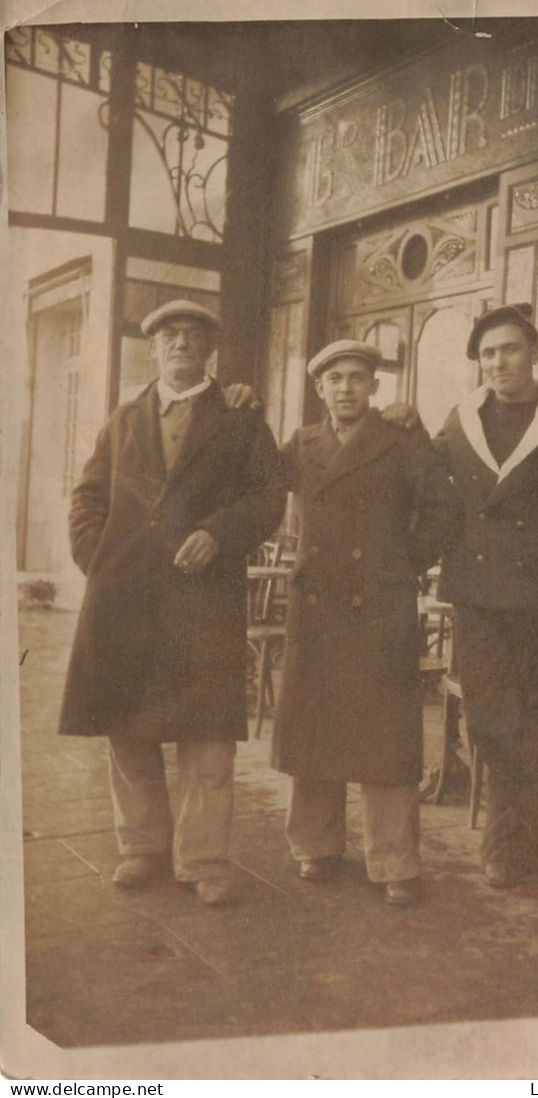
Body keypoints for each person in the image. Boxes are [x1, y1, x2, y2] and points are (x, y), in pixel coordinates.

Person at [59, 300, 286, 906]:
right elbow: (87, 497)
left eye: (192, 335)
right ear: (153, 348)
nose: (180, 344)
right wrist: (98, 561)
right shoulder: (125, 418)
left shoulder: (240, 420)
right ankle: (142, 848)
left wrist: (219, 533)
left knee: (206, 736)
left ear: (210, 349)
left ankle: (203, 860)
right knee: (128, 732)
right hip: (125, 603)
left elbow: (269, 498)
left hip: (202, 601)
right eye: (168, 336)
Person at [388, 303, 538, 888]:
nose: (498, 362)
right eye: (488, 353)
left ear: (535, 352)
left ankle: (509, 850)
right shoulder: (461, 418)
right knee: (491, 721)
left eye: (510, 349)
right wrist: (408, 430)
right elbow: (431, 483)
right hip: (477, 591)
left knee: (537, 720)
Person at [270, 340, 462, 907]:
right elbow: (251, 475)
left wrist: (401, 563)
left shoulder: (401, 439)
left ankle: (394, 860)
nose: (346, 387)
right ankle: (314, 846)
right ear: (319, 388)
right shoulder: (301, 444)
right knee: (315, 727)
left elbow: (443, 511)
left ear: (375, 387)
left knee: (386, 735)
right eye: (335, 379)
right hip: (318, 606)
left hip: (380, 604)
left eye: (358, 377)